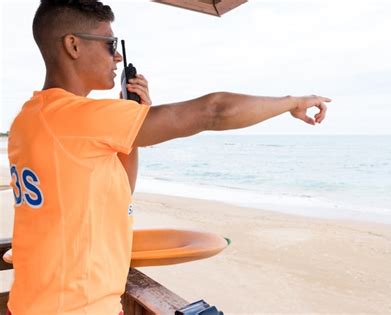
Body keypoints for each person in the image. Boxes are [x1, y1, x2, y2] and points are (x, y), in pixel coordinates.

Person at [6, 0, 331, 314]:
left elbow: (118, 193)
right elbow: (213, 111)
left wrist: (132, 119)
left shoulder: (28, 119)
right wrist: (292, 102)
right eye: (109, 43)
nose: (117, 56)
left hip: (32, 302)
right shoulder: (80, 117)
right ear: (73, 45)